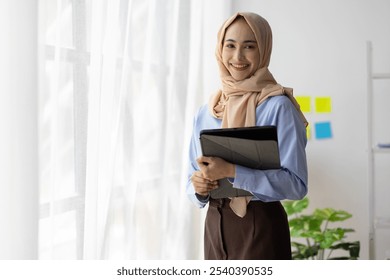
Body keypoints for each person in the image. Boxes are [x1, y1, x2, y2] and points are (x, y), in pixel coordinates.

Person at [186, 12, 308, 260]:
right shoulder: (207, 111)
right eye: (230, 46)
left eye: (249, 46)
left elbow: (296, 184)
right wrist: (198, 186)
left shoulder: (278, 107)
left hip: (260, 224)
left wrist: (232, 171)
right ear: (220, 49)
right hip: (214, 223)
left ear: (263, 50)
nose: (238, 57)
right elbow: (191, 177)